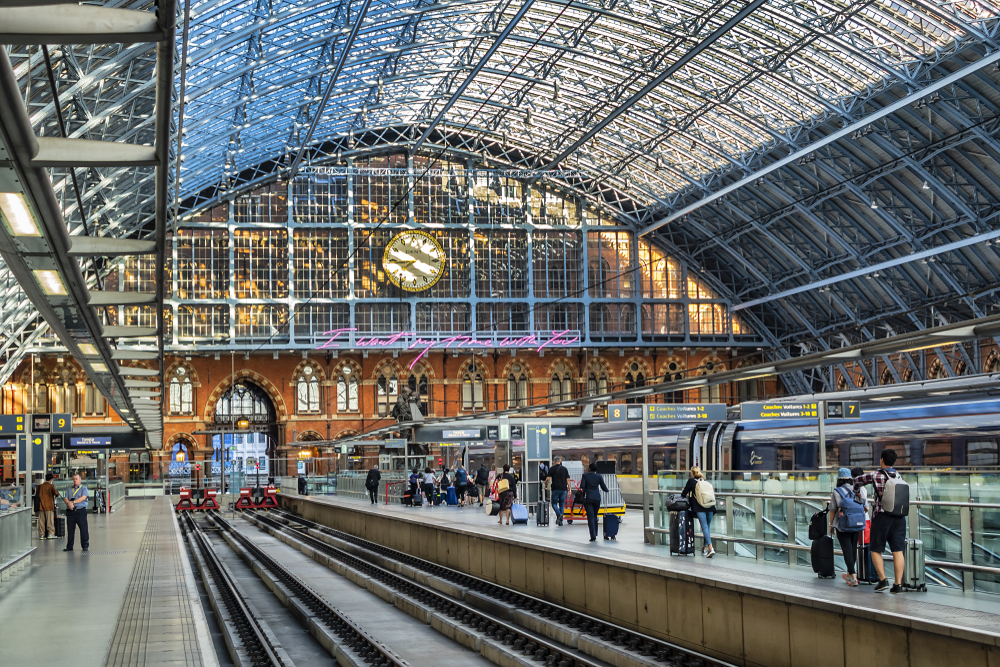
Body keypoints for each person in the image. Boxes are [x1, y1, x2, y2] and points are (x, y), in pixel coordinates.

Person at [854, 449, 907, 593]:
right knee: (898, 550)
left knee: (875, 549)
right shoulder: (899, 476)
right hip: (899, 518)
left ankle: (883, 580)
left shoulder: (876, 474)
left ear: (882, 460)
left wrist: (856, 490)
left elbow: (857, 480)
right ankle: (898, 584)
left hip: (882, 516)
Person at [830, 468, 864, 586]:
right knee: (853, 548)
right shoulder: (858, 489)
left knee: (847, 550)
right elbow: (864, 505)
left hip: (843, 524)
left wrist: (831, 526)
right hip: (858, 523)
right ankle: (850, 573)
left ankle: (853, 577)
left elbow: (833, 510)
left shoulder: (836, 491)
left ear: (839, 480)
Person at [681, 466, 716, 557]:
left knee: (704, 527)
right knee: (707, 527)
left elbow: (683, 494)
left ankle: (710, 548)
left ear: (692, 473)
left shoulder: (691, 481)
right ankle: (704, 548)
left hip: (700, 507)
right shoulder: (704, 481)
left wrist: (689, 495)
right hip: (710, 506)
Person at [580, 463, 609, 541]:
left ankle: (593, 536)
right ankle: (595, 533)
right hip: (597, 498)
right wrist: (607, 490)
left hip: (588, 498)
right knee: (595, 516)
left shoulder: (585, 476)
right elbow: (604, 487)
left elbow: (582, 486)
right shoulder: (599, 476)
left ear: (589, 468)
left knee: (590, 517)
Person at [63, 474, 90, 552]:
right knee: (70, 530)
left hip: (80, 511)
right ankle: (69, 546)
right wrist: (69, 504)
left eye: (76, 479)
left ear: (80, 480)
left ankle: (85, 545)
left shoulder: (84, 489)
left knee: (83, 529)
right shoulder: (69, 489)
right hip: (70, 512)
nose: (75, 480)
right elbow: (65, 499)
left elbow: (83, 498)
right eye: (74, 479)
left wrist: (73, 502)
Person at [549, 457, 570, 526]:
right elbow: (568, 480)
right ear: (560, 461)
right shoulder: (565, 469)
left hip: (555, 489)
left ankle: (559, 514)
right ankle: (560, 521)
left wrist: (546, 485)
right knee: (562, 505)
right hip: (563, 489)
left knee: (554, 503)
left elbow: (547, 479)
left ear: (554, 461)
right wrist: (569, 489)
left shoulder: (552, 469)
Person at [37, 473, 59, 539]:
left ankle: (41, 535)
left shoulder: (40, 486)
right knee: (50, 521)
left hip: (41, 506)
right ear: (51, 479)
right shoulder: (51, 486)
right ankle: (51, 534)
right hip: (49, 506)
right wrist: (57, 494)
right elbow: (55, 493)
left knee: (41, 521)